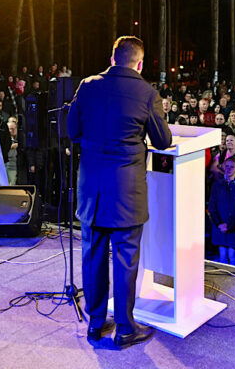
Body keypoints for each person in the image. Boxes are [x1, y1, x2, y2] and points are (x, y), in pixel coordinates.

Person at [66, 36, 172, 349]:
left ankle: (95, 324)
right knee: (125, 261)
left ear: (112, 58)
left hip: (92, 192)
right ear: (139, 63)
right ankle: (125, 328)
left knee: (93, 256)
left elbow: (72, 131)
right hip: (126, 193)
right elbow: (163, 140)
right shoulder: (146, 92)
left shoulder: (87, 85)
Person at [210, 157, 235, 266]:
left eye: (232, 167)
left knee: (233, 254)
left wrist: (229, 225)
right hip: (220, 227)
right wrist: (219, 224)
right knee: (222, 255)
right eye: (227, 166)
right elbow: (212, 206)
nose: (229, 169)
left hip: (234, 227)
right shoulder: (217, 185)